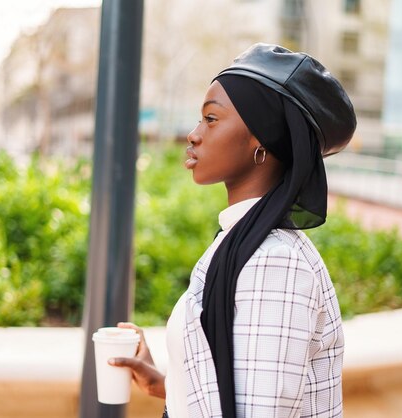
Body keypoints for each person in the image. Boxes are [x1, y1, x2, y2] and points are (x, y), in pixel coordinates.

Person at [109, 43, 357, 418]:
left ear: (260, 140)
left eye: (211, 119)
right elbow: (238, 393)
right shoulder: (245, 241)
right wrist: (167, 382)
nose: (193, 135)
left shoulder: (275, 263)